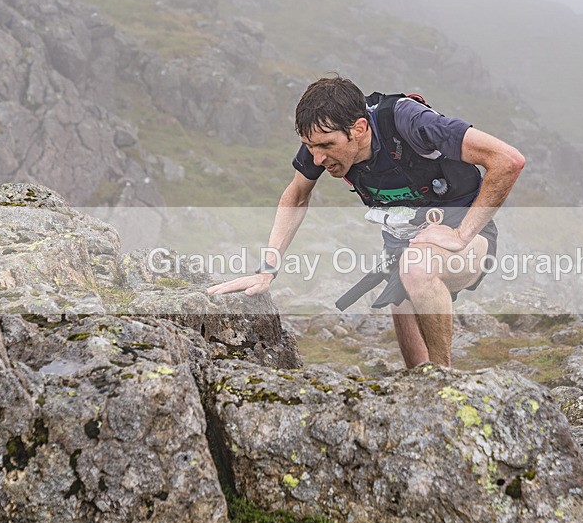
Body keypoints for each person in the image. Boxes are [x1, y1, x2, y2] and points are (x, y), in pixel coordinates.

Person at [207, 76, 525, 368]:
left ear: (359, 129)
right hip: (402, 250)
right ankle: (424, 387)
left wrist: (460, 234)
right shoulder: (320, 141)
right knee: (405, 295)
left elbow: (507, 160)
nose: (317, 158)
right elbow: (296, 196)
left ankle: (446, 385)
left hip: (469, 241)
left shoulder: (409, 122)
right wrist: (267, 271)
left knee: (415, 267)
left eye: (327, 146)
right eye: (309, 147)